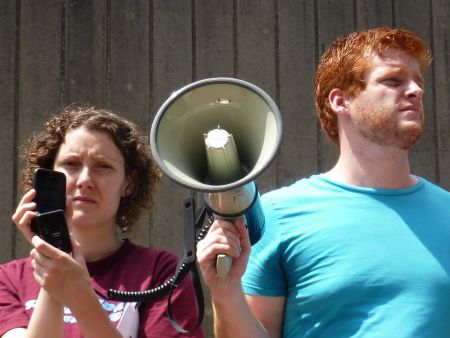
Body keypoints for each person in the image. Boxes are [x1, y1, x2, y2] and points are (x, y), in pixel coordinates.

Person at [196, 27, 450, 337]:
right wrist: (226, 292)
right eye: (393, 80)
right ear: (341, 101)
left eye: (418, 82)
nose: (416, 90)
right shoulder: (274, 215)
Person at [0, 106, 204, 338]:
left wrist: (81, 298)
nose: (85, 180)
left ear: (128, 184)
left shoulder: (163, 272)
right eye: (71, 164)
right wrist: (54, 264)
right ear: (49, 176)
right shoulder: (8, 279)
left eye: (103, 166)